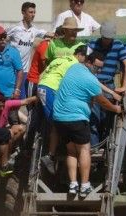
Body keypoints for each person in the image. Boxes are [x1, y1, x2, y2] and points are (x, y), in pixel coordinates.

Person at [51, 52, 121, 196]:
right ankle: (84, 185)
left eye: (101, 69)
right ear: (89, 62)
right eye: (97, 68)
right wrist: (116, 108)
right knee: (84, 150)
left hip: (59, 117)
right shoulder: (90, 79)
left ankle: (72, 184)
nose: (98, 71)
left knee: (71, 150)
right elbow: (102, 102)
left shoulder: (74, 68)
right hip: (76, 118)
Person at [37, 45, 88, 174]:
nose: (86, 62)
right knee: (57, 121)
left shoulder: (59, 59)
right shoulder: (75, 65)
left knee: (55, 122)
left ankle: (53, 153)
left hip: (43, 87)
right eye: (86, 58)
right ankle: (51, 155)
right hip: (50, 89)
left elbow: (42, 74)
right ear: (81, 55)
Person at [88, 21, 126, 146]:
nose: (107, 41)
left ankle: (106, 148)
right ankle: (95, 148)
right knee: (93, 119)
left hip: (109, 85)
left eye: (109, 38)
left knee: (106, 119)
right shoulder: (92, 45)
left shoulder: (118, 45)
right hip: (94, 84)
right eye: (105, 38)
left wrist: (124, 86)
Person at [0, 87, 37, 176]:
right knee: (5, 134)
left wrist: (40, 96)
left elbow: (25, 101)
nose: (1, 107)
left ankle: (6, 157)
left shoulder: (7, 104)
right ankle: (4, 164)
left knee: (18, 129)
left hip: (2, 138)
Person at [6, 2, 52, 98]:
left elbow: (49, 33)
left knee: (20, 100)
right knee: (9, 98)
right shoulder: (15, 28)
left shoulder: (34, 30)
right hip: (12, 70)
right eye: (30, 12)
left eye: (34, 12)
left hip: (24, 71)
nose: (33, 15)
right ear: (23, 12)